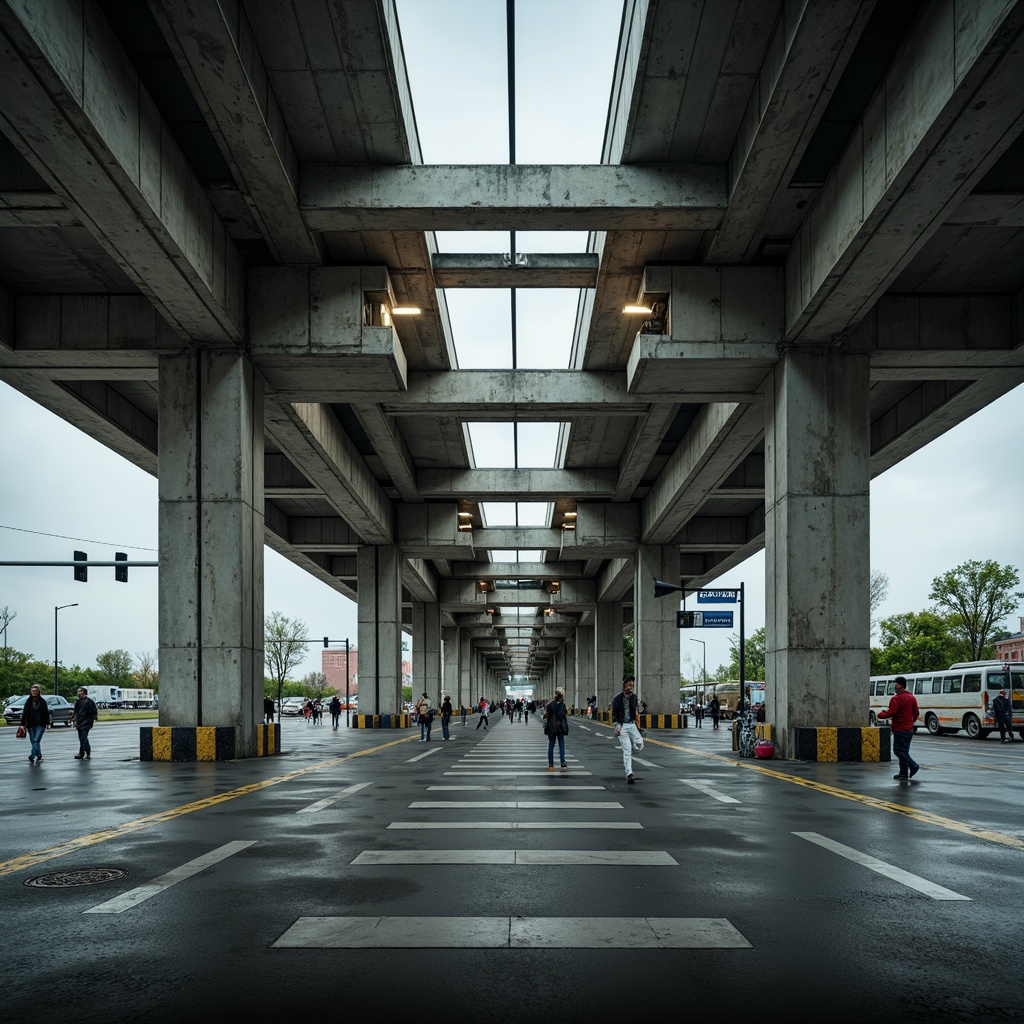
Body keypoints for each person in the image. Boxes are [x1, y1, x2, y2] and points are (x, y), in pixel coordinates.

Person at [877, 675, 921, 780]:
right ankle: (903, 773)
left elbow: (891, 712)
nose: (895, 687)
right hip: (909, 730)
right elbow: (916, 713)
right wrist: (910, 722)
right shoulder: (912, 698)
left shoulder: (896, 699)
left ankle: (913, 765)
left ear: (901, 686)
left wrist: (881, 715)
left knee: (898, 751)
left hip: (899, 729)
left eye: (896, 685)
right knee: (904, 751)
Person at [611, 675, 644, 784]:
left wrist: (639, 726)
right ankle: (629, 773)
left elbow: (636, 712)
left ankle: (634, 745)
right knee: (627, 750)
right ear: (625, 685)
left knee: (640, 744)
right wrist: (617, 727)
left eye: (632, 685)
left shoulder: (634, 697)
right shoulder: (617, 698)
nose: (631, 687)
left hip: (632, 725)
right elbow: (614, 714)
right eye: (629, 685)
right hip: (622, 726)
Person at [20, 684, 51, 765]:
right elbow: (25, 713)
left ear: (38, 692)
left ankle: (33, 755)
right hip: (30, 724)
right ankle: (39, 755)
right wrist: (22, 724)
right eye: (32, 691)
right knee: (34, 741)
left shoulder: (42, 701)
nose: (34, 692)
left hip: (40, 724)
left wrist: (48, 723)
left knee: (36, 740)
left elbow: (46, 713)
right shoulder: (28, 701)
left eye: (35, 691)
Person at [544, 688, 569, 770]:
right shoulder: (563, 705)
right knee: (561, 744)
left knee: (551, 744)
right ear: (562, 694)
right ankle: (563, 762)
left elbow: (547, 716)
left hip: (552, 727)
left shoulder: (550, 705)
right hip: (560, 727)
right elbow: (564, 716)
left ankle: (551, 764)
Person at [72, 686, 98, 760]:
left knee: (83, 737)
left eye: (81, 692)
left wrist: (91, 720)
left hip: (86, 722)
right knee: (82, 738)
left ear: (84, 693)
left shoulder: (89, 702)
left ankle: (82, 753)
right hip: (79, 722)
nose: (79, 694)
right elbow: (76, 711)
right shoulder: (78, 702)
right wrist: (74, 718)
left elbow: (94, 712)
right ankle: (87, 751)